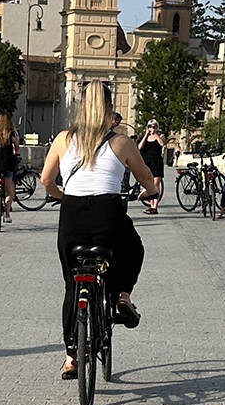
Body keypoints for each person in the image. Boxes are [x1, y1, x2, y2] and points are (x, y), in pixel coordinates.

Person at [41, 81, 158, 380]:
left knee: (72, 284)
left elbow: (45, 180)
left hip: (72, 217)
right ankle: (122, 295)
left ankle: (70, 357)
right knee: (132, 248)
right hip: (108, 214)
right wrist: (147, 193)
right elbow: (148, 181)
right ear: (109, 108)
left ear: (80, 106)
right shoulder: (122, 143)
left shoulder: (63, 139)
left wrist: (64, 196)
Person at [137, 119, 166, 214]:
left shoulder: (160, 136)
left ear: (157, 128)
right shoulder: (145, 137)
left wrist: (155, 134)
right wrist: (146, 135)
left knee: (156, 184)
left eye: (153, 126)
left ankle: (155, 207)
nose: (151, 128)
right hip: (147, 162)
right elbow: (140, 147)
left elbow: (162, 144)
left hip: (156, 162)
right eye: (150, 126)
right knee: (149, 184)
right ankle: (150, 205)